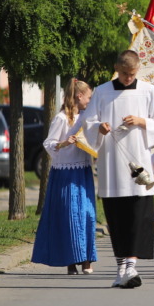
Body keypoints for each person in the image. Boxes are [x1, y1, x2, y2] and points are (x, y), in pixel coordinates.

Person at [80, 50, 154, 289]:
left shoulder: (148, 91)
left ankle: (131, 265)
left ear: (138, 69)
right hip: (111, 162)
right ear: (116, 69)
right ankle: (121, 268)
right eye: (124, 74)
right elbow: (87, 122)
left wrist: (142, 122)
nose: (129, 78)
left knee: (139, 215)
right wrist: (100, 127)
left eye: (132, 74)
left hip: (138, 158)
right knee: (116, 215)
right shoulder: (101, 91)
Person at [32, 79, 97, 275]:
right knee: (69, 216)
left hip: (83, 170)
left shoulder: (87, 116)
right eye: (89, 97)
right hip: (65, 173)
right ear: (79, 96)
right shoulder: (61, 118)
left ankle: (87, 259)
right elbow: (49, 144)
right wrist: (64, 143)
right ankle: (71, 261)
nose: (90, 100)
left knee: (88, 214)